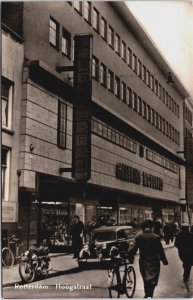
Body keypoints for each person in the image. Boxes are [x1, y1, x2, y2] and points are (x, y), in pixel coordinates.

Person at [128, 219, 168, 298]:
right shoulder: (156, 237)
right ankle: (150, 295)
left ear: (143, 227)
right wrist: (164, 261)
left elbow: (133, 249)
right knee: (153, 279)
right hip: (154, 261)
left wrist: (129, 256)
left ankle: (147, 294)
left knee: (145, 279)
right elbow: (160, 251)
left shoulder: (139, 236)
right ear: (151, 227)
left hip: (143, 261)